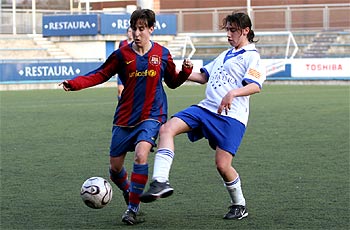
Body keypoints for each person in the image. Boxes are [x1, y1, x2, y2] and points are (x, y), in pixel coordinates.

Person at [60, 9, 193, 225]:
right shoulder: (122, 54)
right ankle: (129, 191)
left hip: (152, 115)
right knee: (115, 169)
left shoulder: (162, 54)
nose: (137, 33)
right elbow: (100, 74)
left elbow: (173, 82)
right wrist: (74, 84)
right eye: (134, 29)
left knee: (142, 155)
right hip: (124, 118)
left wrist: (185, 73)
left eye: (142, 29)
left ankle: (132, 208)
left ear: (151, 29)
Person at [140, 12, 266, 220]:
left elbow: (255, 86)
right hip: (205, 109)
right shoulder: (224, 55)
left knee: (222, 166)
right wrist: (173, 69)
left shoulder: (252, 56)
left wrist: (232, 93)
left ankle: (239, 205)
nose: (228, 34)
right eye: (227, 30)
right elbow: (201, 77)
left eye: (233, 30)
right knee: (167, 129)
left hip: (231, 118)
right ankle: (160, 181)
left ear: (246, 31)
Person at [116, 27, 133, 100]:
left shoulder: (137, 43)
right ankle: (121, 107)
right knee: (120, 90)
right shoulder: (122, 43)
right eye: (129, 31)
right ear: (127, 33)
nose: (130, 33)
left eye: (132, 31)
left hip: (132, 71)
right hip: (122, 70)